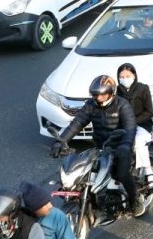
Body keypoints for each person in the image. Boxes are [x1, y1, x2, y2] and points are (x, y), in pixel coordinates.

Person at [52, 75, 142, 215]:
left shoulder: (122, 105)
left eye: (102, 95)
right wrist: (61, 141)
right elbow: (77, 123)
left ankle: (134, 201)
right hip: (101, 146)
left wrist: (125, 145)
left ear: (111, 92)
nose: (98, 98)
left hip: (121, 146)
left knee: (122, 174)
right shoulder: (90, 105)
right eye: (95, 95)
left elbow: (130, 128)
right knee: (86, 172)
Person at [117, 62, 153, 188]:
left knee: (138, 141)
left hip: (141, 124)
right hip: (122, 125)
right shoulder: (116, 92)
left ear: (134, 75)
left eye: (127, 76)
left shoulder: (143, 88)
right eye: (121, 77)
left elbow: (149, 112)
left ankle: (148, 170)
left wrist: (133, 121)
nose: (124, 79)